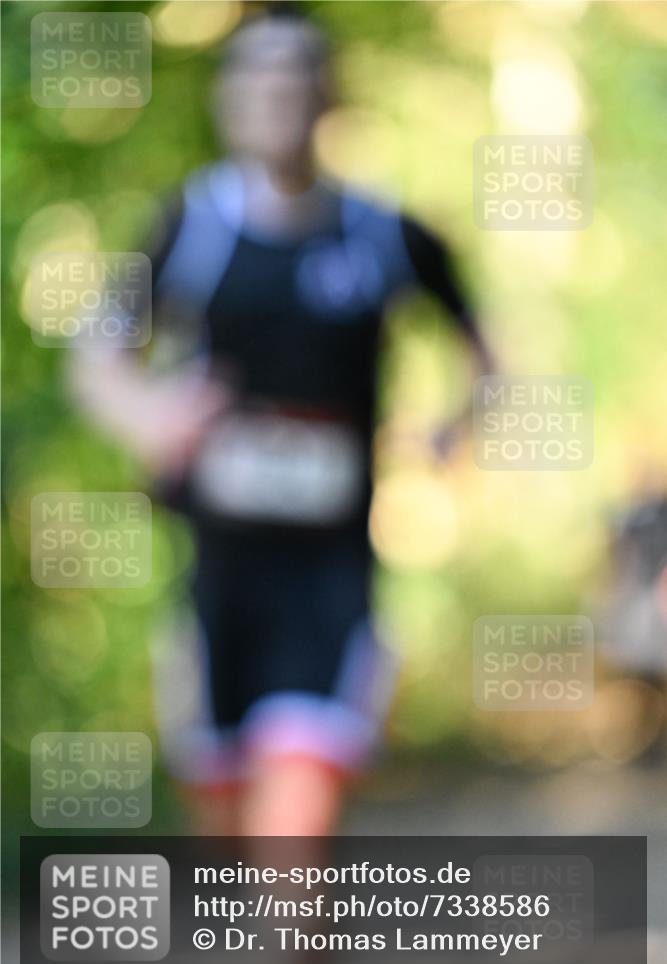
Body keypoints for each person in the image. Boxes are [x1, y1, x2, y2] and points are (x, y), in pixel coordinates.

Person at [70, 11, 493, 844]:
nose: (276, 92)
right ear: (227, 98)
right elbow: (95, 355)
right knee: (228, 829)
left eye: (296, 73)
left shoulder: (383, 235)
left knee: (295, 818)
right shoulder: (187, 226)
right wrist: (151, 415)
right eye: (255, 74)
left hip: (331, 574)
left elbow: (488, 350)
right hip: (216, 573)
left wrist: (450, 434)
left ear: (329, 92)